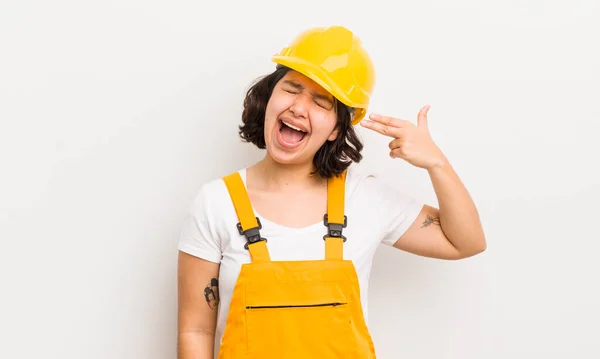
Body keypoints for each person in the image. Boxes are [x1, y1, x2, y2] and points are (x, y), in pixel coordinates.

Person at [177, 25, 486, 359]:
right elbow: (196, 330)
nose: (298, 107)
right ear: (268, 98)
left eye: (320, 101)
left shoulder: (365, 199)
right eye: (292, 88)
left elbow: (466, 242)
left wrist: (436, 164)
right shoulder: (216, 203)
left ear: (336, 128)